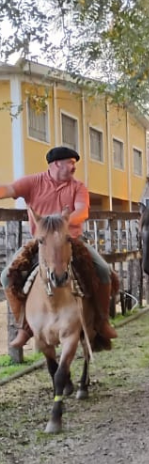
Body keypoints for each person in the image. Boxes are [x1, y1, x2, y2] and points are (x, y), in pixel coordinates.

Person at [0, 146, 117, 347]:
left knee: (104, 270)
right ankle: (24, 327)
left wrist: (61, 222)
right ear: (56, 164)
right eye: (70, 163)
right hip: (40, 243)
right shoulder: (32, 182)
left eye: (74, 164)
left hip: (70, 241)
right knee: (6, 276)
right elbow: (9, 189)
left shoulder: (78, 187)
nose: (73, 167)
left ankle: (102, 321)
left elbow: (82, 211)